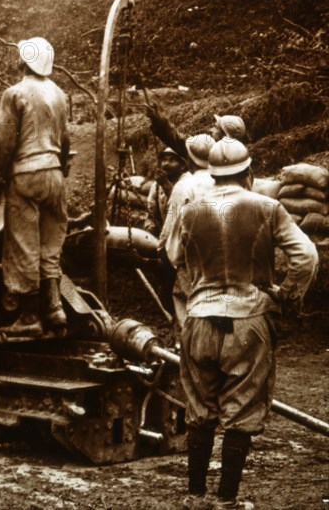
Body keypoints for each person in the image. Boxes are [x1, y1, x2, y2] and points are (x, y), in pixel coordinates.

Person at [167, 138, 318, 510]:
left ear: (213, 175)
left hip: (199, 318)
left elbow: (174, 255)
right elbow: (306, 256)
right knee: (242, 408)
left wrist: (197, 284)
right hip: (248, 318)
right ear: (249, 174)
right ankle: (227, 499)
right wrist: (287, 295)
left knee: (200, 407)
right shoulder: (267, 207)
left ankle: (195, 495)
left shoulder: (190, 210)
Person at [0, 37, 71, 337]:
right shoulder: (59, 94)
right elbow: (65, 140)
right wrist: (60, 168)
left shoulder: (15, 93)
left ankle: (30, 317)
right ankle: (55, 310)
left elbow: (4, 142)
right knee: (50, 244)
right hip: (55, 175)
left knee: (24, 245)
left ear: (22, 61)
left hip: (26, 176)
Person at [160, 134, 216, 327]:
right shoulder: (224, 181)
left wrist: (168, 256)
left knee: (186, 306)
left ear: (189, 159)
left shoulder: (185, 186)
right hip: (223, 260)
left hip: (193, 262)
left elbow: (170, 231)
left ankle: (189, 349)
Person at [144, 100, 247, 159]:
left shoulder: (208, 153)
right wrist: (157, 119)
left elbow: (178, 141)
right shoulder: (239, 157)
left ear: (224, 135)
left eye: (216, 127)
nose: (211, 129)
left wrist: (157, 119)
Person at [144, 147, 188, 237]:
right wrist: (150, 227)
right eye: (164, 160)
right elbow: (151, 215)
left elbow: (182, 208)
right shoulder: (156, 186)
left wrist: (166, 185)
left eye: (171, 160)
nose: (166, 164)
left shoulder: (187, 182)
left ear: (182, 166)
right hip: (165, 234)